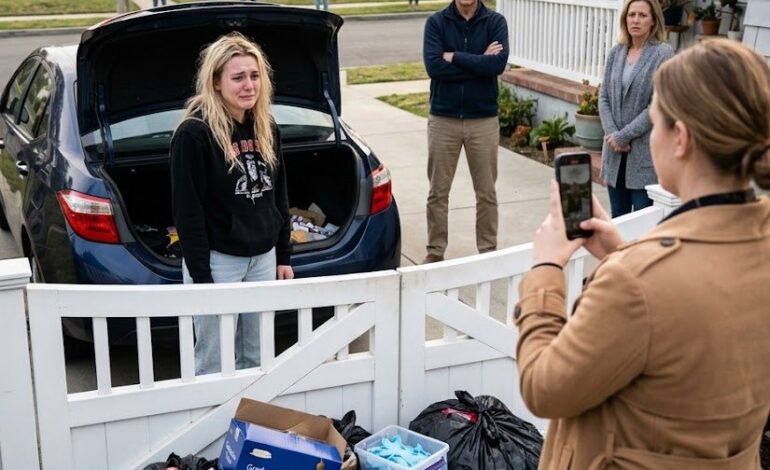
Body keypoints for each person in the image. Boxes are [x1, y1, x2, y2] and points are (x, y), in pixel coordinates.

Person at [515, 39, 770, 468]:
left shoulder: (636, 284)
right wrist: (624, 252)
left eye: (655, 124)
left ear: (680, 139)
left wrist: (545, 269)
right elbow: (695, 307)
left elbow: (543, 387)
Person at [170, 32, 293, 375]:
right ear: (216, 82)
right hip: (218, 261)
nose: (248, 85)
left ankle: (248, 426)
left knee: (257, 358)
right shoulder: (194, 134)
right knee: (213, 361)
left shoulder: (267, 126)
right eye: (237, 77)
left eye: (254, 76)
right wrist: (201, 278)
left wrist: (283, 254)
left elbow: (278, 194)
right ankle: (213, 428)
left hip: (263, 259)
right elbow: (187, 212)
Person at [421, 0, 508, 263]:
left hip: (482, 120)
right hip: (443, 119)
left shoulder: (495, 22)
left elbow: (497, 66)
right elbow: (434, 67)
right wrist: (480, 61)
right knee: (438, 192)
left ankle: (487, 251)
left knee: (486, 192)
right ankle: (435, 252)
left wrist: (455, 56)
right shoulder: (436, 23)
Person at [599, 0, 673, 217]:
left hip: (643, 155)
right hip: (614, 154)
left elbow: (658, 104)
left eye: (642, 15)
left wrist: (625, 136)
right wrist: (613, 134)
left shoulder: (662, 53)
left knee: (642, 225)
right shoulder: (616, 52)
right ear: (625, 19)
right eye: (631, 15)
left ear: (653, 21)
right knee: (618, 222)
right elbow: (603, 97)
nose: (636, 20)